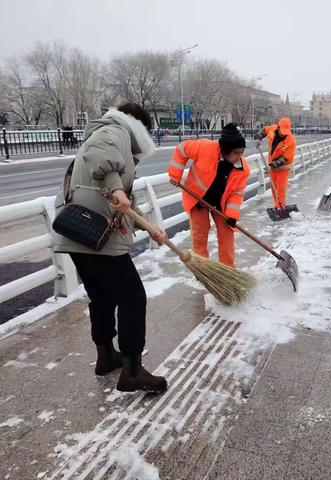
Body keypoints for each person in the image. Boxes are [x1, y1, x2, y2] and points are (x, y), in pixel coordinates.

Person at [54, 103, 168, 393]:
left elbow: (125, 202)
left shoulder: (106, 133)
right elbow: (101, 157)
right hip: (99, 236)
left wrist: (149, 227)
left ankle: (105, 357)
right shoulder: (115, 130)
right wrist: (117, 188)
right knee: (133, 297)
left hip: (79, 233)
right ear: (139, 126)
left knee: (102, 298)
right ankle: (132, 370)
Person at [168, 123, 250, 267]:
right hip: (197, 198)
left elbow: (237, 193)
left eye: (241, 152)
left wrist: (231, 214)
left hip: (221, 203)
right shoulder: (205, 148)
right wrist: (176, 174)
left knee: (227, 233)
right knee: (200, 233)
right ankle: (204, 269)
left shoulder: (242, 169)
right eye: (236, 153)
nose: (240, 157)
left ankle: (228, 269)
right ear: (225, 150)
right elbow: (181, 150)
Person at [255, 117, 296, 211]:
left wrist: (271, 166)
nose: (283, 134)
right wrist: (258, 138)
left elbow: (284, 158)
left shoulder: (291, 141)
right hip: (272, 165)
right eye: (282, 131)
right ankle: (277, 205)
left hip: (284, 166)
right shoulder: (272, 129)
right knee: (273, 187)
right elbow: (264, 130)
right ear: (278, 128)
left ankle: (282, 206)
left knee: (280, 188)